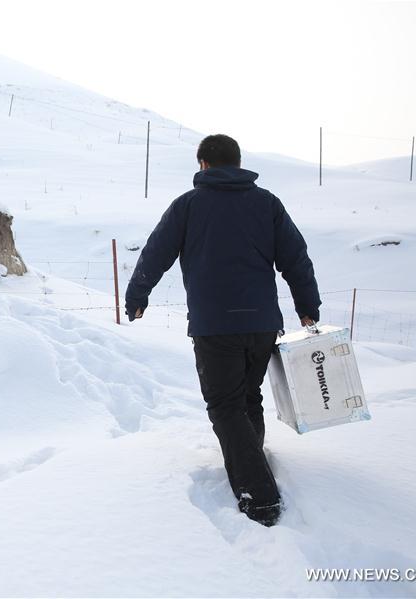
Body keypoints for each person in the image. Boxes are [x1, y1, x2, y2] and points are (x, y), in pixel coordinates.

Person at [125, 134, 320, 527]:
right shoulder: (267, 204)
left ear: (204, 165)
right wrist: (307, 307)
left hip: (216, 326)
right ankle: (251, 460)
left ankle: (260, 497)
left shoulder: (188, 205)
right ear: (237, 162)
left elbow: (156, 252)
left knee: (225, 406)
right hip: (262, 323)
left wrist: (137, 295)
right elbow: (295, 258)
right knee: (247, 396)